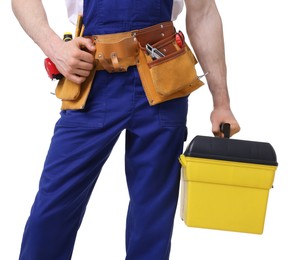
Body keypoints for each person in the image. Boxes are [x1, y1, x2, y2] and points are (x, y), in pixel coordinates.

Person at [12, 0, 240, 259]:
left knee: (152, 219)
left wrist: (221, 103)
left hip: (162, 76)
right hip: (91, 76)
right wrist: (55, 49)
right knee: (52, 209)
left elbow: (204, 12)